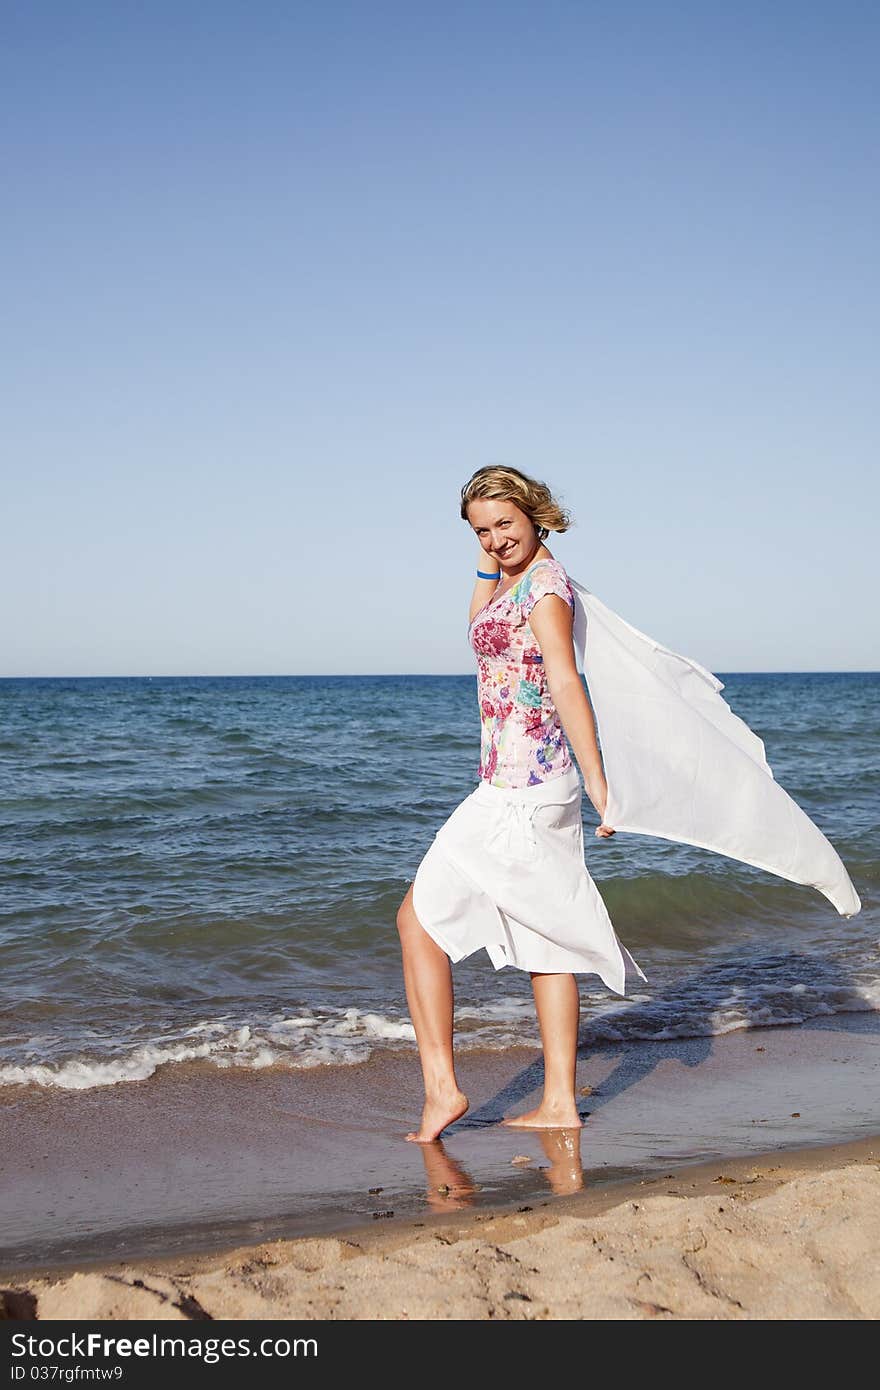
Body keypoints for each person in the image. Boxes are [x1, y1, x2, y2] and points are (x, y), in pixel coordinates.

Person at [396, 465, 646, 1143]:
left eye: (505, 523)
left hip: (524, 791)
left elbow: (566, 679)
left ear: (534, 512)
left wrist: (599, 783)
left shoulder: (546, 586)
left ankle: (443, 1089)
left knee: (416, 920)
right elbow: (480, 625)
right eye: (482, 530)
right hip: (520, 785)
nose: (496, 538)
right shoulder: (511, 579)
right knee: (545, 939)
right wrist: (490, 552)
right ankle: (560, 1101)